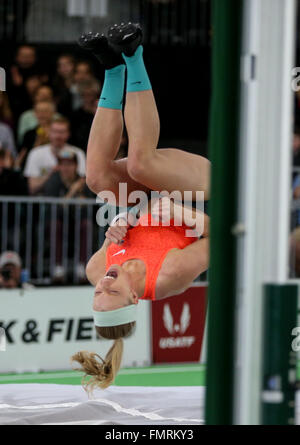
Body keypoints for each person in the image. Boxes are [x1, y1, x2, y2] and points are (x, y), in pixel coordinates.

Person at [71, 23, 210, 392]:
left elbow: (129, 219)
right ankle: (133, 53)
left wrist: (119, 221)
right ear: (135, 297)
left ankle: (111, 66)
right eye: (111, 293)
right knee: (139, 164)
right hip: (201, 192)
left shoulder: (97, 267)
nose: (102, 285)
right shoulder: (168, 277)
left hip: (151, 196)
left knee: (98, 177)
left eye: (97, 294)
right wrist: (183, 216)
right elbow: (226, 234)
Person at [41, 148, 94, 282]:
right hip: (59, 221)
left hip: (78, 221)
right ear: (59, 166)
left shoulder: (84, 182)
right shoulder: (54, 181)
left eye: (69, 164)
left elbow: (88, 209)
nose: (66, 168)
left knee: (86, 225)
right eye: (63, 164)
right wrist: (72, 192)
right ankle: (58, 267)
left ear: (76, 165)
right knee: (55, 225)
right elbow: (52, 208)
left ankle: (82, 266)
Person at [23, 117, 86, 195]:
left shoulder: (78, 153)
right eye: (55, 131)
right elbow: (32, 188)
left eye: (62, 132)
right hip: (44, 202)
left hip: (72, 201)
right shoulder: (36, 153)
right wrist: (51, 174)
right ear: (49, 132)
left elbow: (83, 181)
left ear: (68, 133)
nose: (58, 136)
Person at [16, 100, 56, 171]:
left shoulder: (59, 132)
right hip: (35, 168)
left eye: (45, 111)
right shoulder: (29, 134)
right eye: (38, 111)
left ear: (53, 113)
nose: (41, 114)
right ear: (35, 114)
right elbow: (23, 157)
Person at [70, 80, 100, 151]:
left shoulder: (99, 112)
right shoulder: (76, 114)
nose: (88, 98)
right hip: (80, 147)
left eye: (90, 94)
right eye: (85, 95)